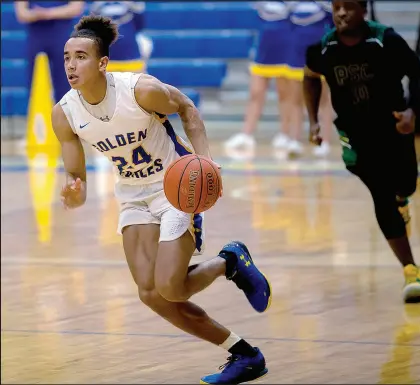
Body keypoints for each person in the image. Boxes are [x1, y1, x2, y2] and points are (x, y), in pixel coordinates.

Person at [52, 15, 272, 384]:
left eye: (81, 57)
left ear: (103, 62)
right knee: (151, 294)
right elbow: (77, 178)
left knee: (171, 286)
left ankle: (227, 262)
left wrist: (205, 161)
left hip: (175, 189)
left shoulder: (140, 90)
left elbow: (186, 107)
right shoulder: (65, 113)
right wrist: (73, 192)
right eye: (66, 57)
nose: (71, 65)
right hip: (133, 196)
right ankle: (244, 353)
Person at [303, 0, 420, 303]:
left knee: (406, 184)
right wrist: (314, 124)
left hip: (393, 128)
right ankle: (412, 271)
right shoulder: (322, 48)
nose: (341, 13)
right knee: (381, 193)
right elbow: (309, 79)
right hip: (355, 135)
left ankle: (403, 199)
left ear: (363, 10)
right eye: (336, 6)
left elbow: (419, 74)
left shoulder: (385, 41)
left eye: (348, 7)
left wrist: (412, 111)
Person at [224, 1, 294, 152]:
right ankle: (247, 134)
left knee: (284, 93)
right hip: (264, 46)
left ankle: (285, 134)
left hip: (285, 45)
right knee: (256, 92)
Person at [285, 0, 335, 157]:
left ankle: (324, 140)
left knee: (323, 99)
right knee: (295, 98)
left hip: (319, 48)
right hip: (296, 50)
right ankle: (294, 140)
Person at [14, 1, 85, 102]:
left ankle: (65, 113)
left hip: (61, 35)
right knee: (35, 80)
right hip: (36, 36)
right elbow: (21, 13)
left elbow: (76, 8)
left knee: (65, 79)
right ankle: (38, 113)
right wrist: (38, 14)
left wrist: (48, 13)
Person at [89, 1, 152, 73]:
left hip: (131, 60)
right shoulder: (98, 5)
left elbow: (140, 25)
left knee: (145, 43)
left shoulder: (133, 6)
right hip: (107, 59)